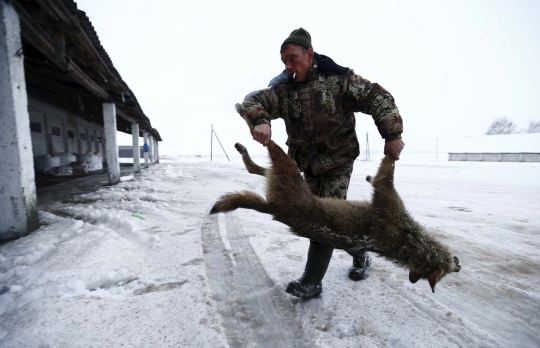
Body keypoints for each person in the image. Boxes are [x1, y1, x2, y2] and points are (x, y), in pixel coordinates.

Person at [240, 28, 404, 299]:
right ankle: (360, 251)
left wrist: (392, 135)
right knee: (322, 220)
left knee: (323, 218)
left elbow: (377, 97)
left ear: (309, 54)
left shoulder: (338, 80)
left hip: (338, 160)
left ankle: (312, 282)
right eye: (284, 62)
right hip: (308, 166)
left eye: (293, 59)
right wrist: (261, 119)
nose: (288, 66)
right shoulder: (284, 89)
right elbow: (252, 100)